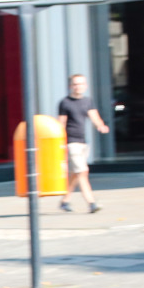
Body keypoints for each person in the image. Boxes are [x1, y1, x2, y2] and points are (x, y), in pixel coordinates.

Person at [57, 74, 109, 213]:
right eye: (75, 84)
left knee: (75, 174)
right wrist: (60, 143)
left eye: (80, 84)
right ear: (70, 86)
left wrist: (100, 126)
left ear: (85, 86)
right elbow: (61, 123)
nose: (78, 86)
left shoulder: (87, 101)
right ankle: (92, 203)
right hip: (71, 142)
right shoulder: (65, 102)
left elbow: (94, 117)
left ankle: (64, 201)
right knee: (83, 172)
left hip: (83, 143)